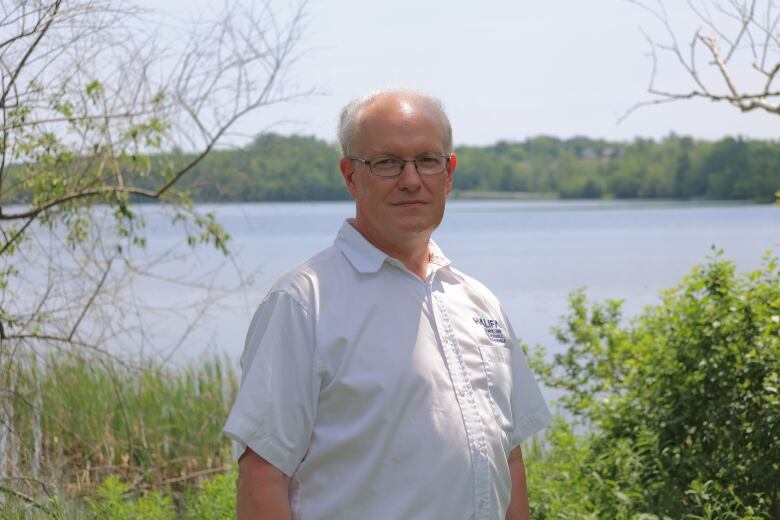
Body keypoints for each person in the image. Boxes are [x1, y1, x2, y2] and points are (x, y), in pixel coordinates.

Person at [223, 88, 552, 520]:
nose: (411, 179)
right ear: (350, 175)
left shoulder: (479, 302)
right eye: (387, 163)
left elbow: (507, 459)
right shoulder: (304, 303)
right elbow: (263, 477)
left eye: (427, 161)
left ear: (448, 173)